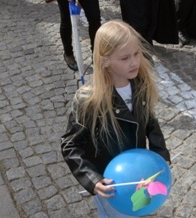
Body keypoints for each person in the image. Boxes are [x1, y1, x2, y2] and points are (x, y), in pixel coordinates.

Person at [61, 20, 170, 216]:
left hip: (139, 175)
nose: (135, 62)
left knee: (139, 209)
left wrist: (160, 155)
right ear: (105, 61)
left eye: (136, 53)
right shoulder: (89, 100)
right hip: (111, 183)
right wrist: (92, 180)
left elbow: (151, 124)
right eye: (125, 58)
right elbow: (70, 145)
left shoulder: (141, 85)